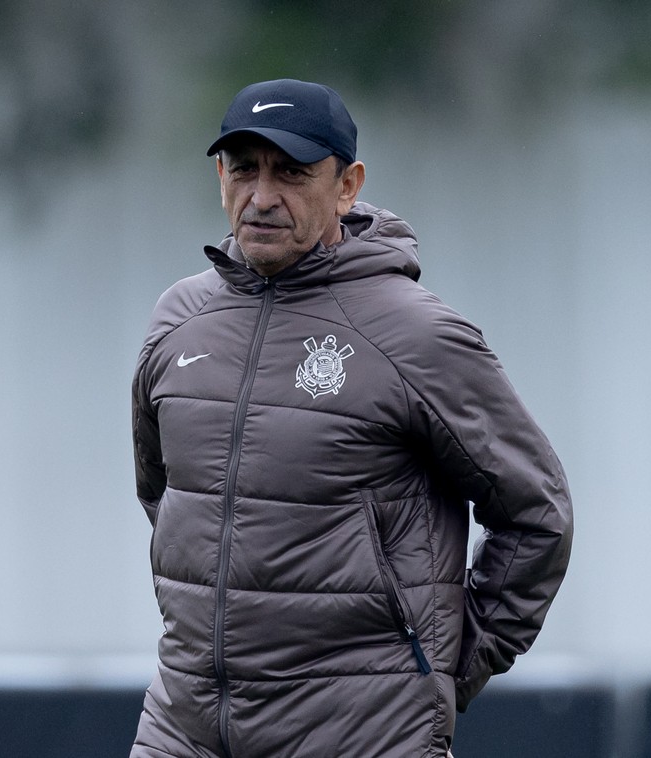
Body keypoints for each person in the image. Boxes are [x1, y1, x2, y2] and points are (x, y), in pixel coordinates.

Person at [130, 78, 573, 758]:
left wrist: (445, 669)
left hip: (362, 735)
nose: (262, 195)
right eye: (243, 168)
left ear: (347, 185)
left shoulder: (417, 336)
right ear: (220, 175)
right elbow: (168, 497)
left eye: (292, 172)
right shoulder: (179, 319)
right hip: (183, 732)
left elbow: (536, 513)